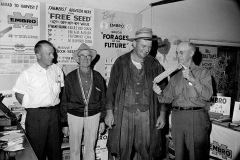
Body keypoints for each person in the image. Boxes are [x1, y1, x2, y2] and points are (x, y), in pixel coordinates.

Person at [105, 28, 168, 160]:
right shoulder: (121, 62)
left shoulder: (155, 64)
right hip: (124, 113)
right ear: (134, 43)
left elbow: (164, 91)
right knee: (123, 149)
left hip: (146, 114)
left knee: (146, 149)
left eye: (149, 47)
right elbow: (111, 88)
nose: (146, 50)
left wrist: (162, 114)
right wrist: (109, 112)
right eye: (143, 46)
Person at [153, 41, 213, 160]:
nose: (178, 55)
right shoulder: (175, 76)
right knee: (178, 155)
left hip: (196, 117)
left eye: (181, 52)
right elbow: (168, 98)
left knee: (197, 155)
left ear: (191, 53)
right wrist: (159, 93)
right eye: (177, 53)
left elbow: (208, 95)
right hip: (177, 117)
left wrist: (193, 80)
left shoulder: (203, 73)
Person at [12, 40, 64, 160]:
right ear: (38, 55)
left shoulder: (56, 70)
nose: (53, 56)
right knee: (36, 152)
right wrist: (35, 107)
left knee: (55, 152)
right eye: (49, 54)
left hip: (55, 115)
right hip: (36, 116)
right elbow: (19, 94)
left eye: (53, 53)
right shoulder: (27, 73)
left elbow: (60, 92)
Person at [60, 43, 106, 160]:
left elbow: (103, 100)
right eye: (82, 56)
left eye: (88, 56)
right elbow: (64, 101)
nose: (85, 59)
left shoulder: (98, 77)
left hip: (94, 115)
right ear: (78, 59)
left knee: (90, 148)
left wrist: (102, 120)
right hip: (74, 116)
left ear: (92, 58)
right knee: (74, 149)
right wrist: (65, 123)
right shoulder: (70, 77)